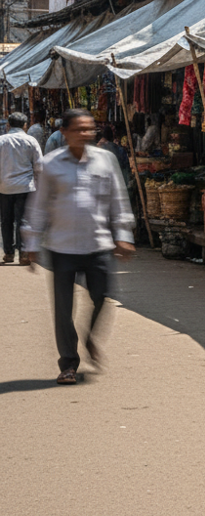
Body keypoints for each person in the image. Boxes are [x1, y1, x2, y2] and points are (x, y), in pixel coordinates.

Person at [23, 109, 135, 385]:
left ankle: (90, 337)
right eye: (79, 129)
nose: (85, 134)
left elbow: (118, 199)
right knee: (63, 308)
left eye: (89, 129)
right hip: (61, 247)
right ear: (65, 132)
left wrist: (123, 235)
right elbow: (39, 205)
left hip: (98, 243)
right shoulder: (50, 164)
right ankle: (68, 363)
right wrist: (32, 242)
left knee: (102, 297)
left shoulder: (105, 160)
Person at [0, 111, 43, 264]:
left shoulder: (1, 141)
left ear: (8, 125)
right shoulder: (31, 141)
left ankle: (9, 253)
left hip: (4, 187)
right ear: (25, 125)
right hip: (25, 187)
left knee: (6, 221)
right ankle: (24, 253)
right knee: (23, 221)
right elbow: (39, 166)